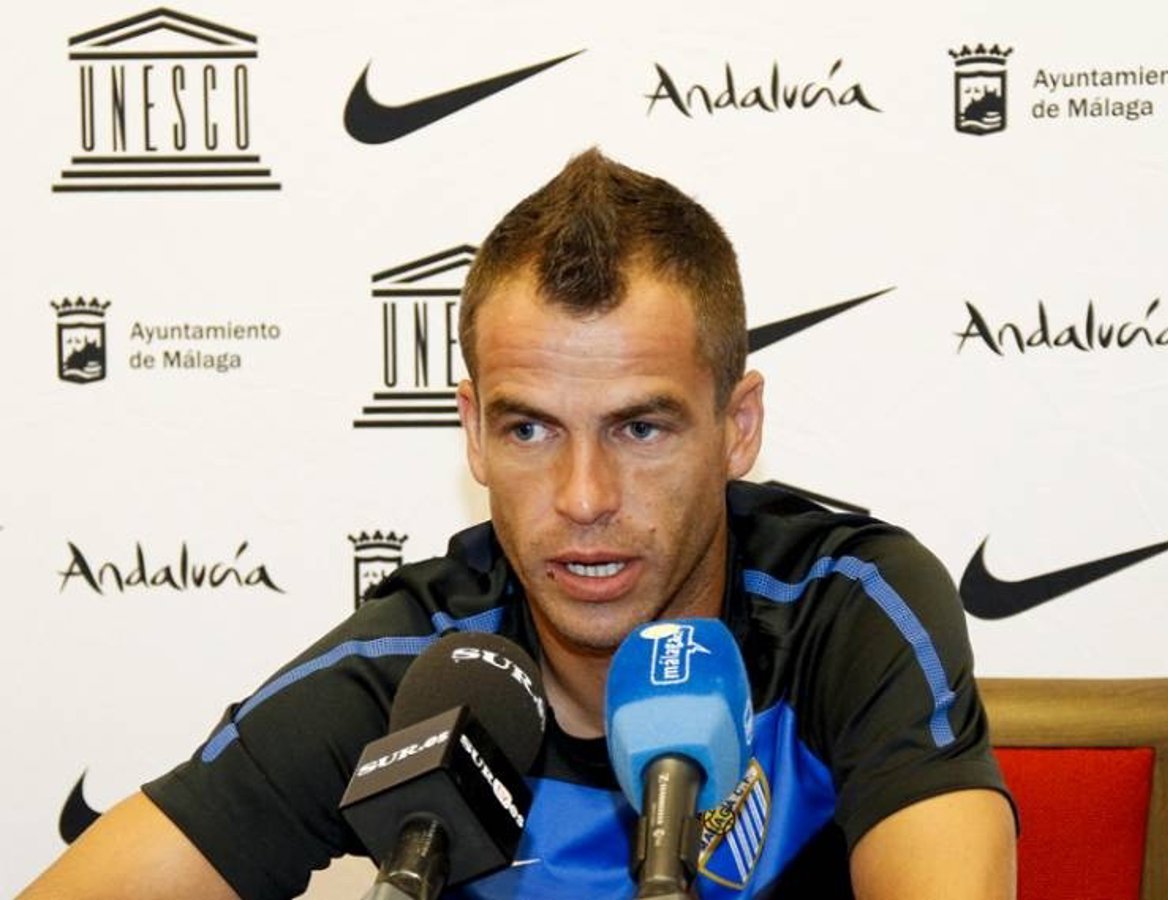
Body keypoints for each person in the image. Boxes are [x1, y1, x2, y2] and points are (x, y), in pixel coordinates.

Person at [20, 149, 1015, 899]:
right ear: (474, 433)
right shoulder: (413, 672)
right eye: (530, 429)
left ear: (737, 427)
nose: (583, 498)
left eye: (640, 427)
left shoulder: (848, 611)